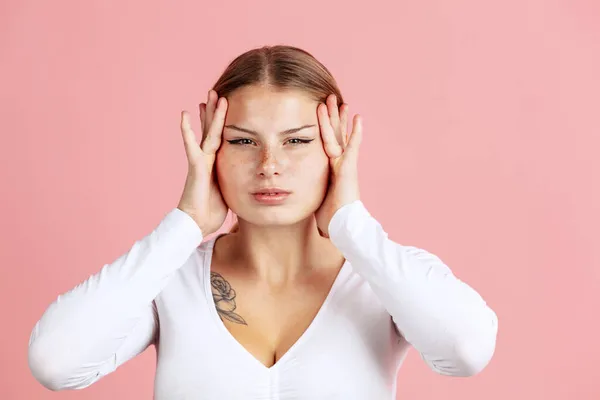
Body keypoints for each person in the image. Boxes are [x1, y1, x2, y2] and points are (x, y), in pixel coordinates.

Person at [27, 45, 498, 399]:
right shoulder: (169, 278)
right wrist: (186, 224)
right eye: (242, 141)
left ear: (336, 147)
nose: (270, 164)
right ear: (211, 150)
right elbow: (56, 362)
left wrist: (350, 225)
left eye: (296, 141)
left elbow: (465, 351)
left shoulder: (384, 274)